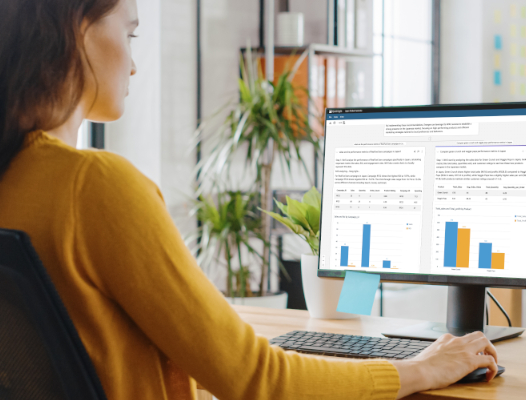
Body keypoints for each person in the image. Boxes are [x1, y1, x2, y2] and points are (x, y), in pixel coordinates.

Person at [0, 0, 499, 399]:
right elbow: (257, 381)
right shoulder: (94, 187)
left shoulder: (16, 177)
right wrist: (418, 370)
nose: (133, 65)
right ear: (75, 29)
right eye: (129, 35)